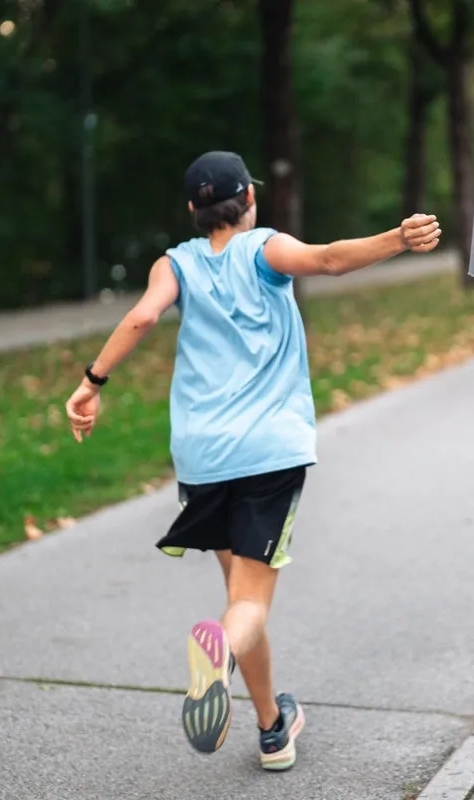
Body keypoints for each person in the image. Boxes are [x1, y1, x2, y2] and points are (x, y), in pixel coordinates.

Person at [63, 151, 440, 771]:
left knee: (239, 595)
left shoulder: (174, 263)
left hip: (202, 456)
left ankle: (271, 729)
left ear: (192, 210)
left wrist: (91, 382)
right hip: (268, 452)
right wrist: (397, 239)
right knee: (250, 606)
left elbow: (141, 316)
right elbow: (326, 259)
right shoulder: (263, 249)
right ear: (251, 200)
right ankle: (222, 658)